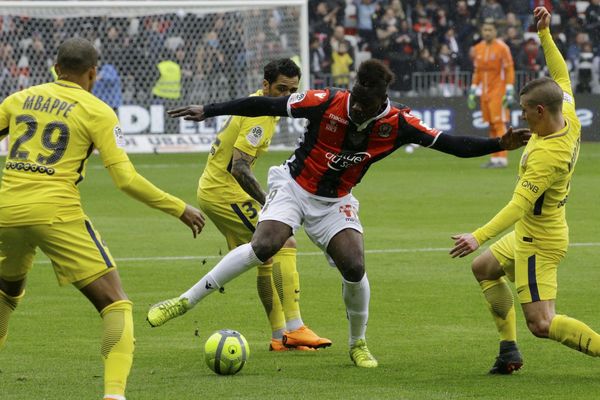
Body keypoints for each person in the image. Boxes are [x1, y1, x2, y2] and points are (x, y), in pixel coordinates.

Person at [149, 59, 529, 368]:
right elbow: (262, 105)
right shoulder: (325, 102)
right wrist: (208, 110)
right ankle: (184, 301)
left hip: (336, 201)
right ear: (354, 92)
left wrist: (499, 143)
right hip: (294, 187)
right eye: (358, 101)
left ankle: (357, 343)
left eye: (369, 104)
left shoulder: (398, 123)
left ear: (384, 98)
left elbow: (453, 144)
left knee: (354, 265)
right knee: (266, 244)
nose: (361, 109)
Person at [0, 38, 206, 400]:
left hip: (6, 210)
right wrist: (179, 207)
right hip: (55, 211)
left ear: (54, 68)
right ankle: (114, 395)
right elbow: (125, 179)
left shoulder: (18, 100)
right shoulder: (98, 111)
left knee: (7, 291)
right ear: (93, 73)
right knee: (115, 302)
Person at [450, 7, 600, 375]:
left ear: (538, 110)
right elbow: (560, 74)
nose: (520, 118)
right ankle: (508, 351)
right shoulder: (566, 109)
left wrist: (478, 234)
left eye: (524, 112)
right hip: (532, 233)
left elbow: (518, 205)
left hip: (538, 240)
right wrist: (544, 35)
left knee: (543, 324)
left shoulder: (548, 156)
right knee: (484, 267)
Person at [150, 58, 331, 352]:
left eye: (292, 90)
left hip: (214, 189)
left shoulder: (258, 105)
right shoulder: (260, 116)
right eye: (280, 89)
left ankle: (279, 336)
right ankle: (296, 328)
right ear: (265, 85)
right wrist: (270, 203)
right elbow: (239, 168)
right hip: (225, 192)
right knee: (284, 240)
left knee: (264, 258)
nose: (285, 96)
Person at [468, 19, 515, 168]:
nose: (487, 32)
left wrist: (509, 89)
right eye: (485, 30)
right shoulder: (478, 48)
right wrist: (473, 89)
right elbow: (477, 72)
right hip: (485, 93)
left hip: (498, 91)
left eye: (490, 30)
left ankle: (502, 158)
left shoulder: (502, 48)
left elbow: (509, 69)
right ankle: (495, 158)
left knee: (499, 123)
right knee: (491, 125)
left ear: (495, 32)